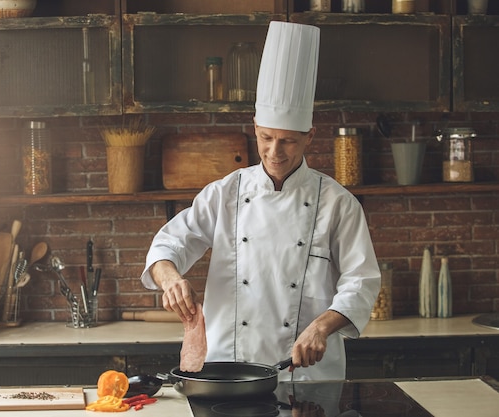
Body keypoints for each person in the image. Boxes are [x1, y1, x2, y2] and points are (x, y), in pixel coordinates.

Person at [140, 21, 381, 381]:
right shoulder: (226, 193)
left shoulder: (337, 203)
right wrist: (171, 277)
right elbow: (168, 244)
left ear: (309, 136)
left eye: (288, 141)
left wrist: (322, 327)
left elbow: (361, 281)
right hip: (229, 370)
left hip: (306, 373)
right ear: (254, 127)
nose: (274, 151)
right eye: (266, 137)